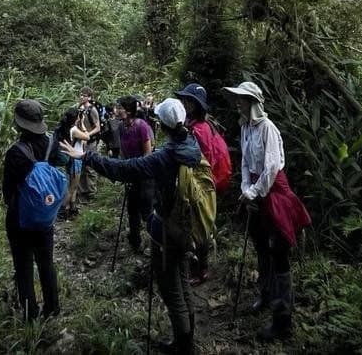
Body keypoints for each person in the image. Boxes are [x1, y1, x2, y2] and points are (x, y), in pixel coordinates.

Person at [64, 98, 202, 355]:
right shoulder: (192, 144)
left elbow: (125, 169)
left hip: (169, 228)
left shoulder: (164, 156)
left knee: (171, 289)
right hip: (189, 223)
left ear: (161, 125)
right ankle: (187, 338)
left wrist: (87, 156)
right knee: (182, 280)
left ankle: (184, 346)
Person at [225, 80, 311, 343]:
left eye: (242, 98)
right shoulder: (245, 128)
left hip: (274, 194)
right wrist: (246, 189)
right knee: (261, 246)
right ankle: (265, 294)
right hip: (256, 192)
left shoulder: (267, 128)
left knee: (279, 251)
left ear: (253, 102)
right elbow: (244, 162)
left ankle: (282, 318)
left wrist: (254, 191)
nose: (238, 102)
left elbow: (272, 166)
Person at [2, 99, 63, 322]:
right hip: (45, 217)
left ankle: (30, 314)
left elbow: (8, 191)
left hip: (20, 219)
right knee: (46, 262)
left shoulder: (14, 153)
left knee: (24, 266)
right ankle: (53, 308)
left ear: (19, 124)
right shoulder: (51, 145)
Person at [176, 82, 230, 284]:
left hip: (203, 182)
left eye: (188, 100)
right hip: (208, 181)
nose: (184, 102)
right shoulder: (204, 124)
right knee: (200, 223)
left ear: (195, 104)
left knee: (200, 224)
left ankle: (201, 270)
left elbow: (202, 159)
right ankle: (198, 265)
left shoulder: (199, 129)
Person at [116, 95, 155, 253]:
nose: (117, 110)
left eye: (120, 108)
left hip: (144, 175)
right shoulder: (120, 126)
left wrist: (138, 170)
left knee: (147, 210)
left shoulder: (141, 126)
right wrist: (124, 169)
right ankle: (135, 241)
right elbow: (122, 151)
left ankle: (155, 242)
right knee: (132, 209)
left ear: (129, 110)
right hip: (130, 173)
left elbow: (148, 153)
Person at [54, 108, 85, 218]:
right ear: (76, 118)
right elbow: (87, 136)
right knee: (72, 187)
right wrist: (82, 123)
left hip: (71, 158)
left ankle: (72, 208)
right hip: (76, 158)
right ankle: (63, 210)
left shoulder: (64, 128)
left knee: (73, 187)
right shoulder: (74, 129)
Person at [77, 87, 102, 200]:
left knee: (90, 166)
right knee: (81, 166)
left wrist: (87, 135)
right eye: (81, 94)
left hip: (90, 141)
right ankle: (82, 191)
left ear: (89, 97)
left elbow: (97, 127)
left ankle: (91, 192)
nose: (81, 97)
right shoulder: (79, 108)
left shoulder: (92, 110)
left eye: (84, 95)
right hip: (80, 141)